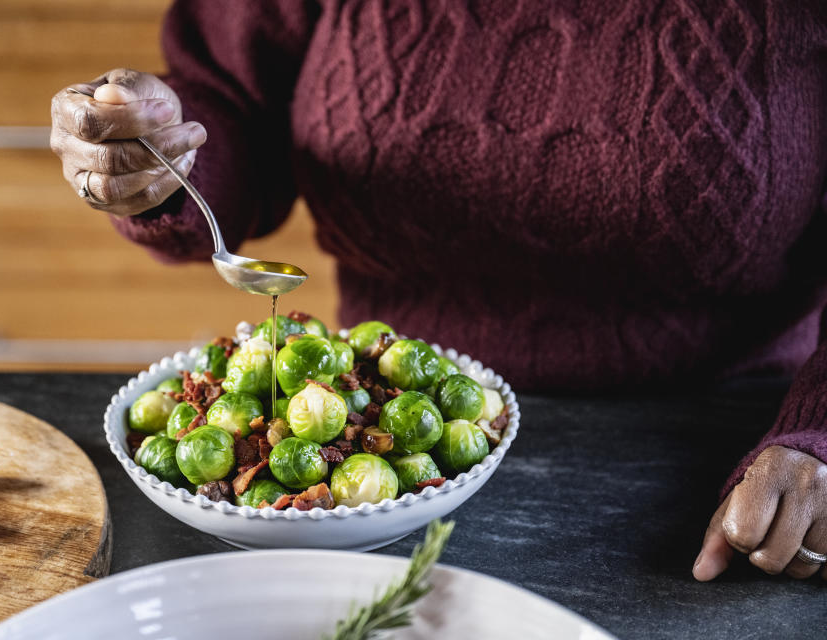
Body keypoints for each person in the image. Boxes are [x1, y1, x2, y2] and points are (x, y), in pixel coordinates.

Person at [50, 1, 827, 581]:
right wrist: (159, 154)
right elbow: (238, 109)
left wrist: (819, 431)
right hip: (370, 514)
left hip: (728, 461)